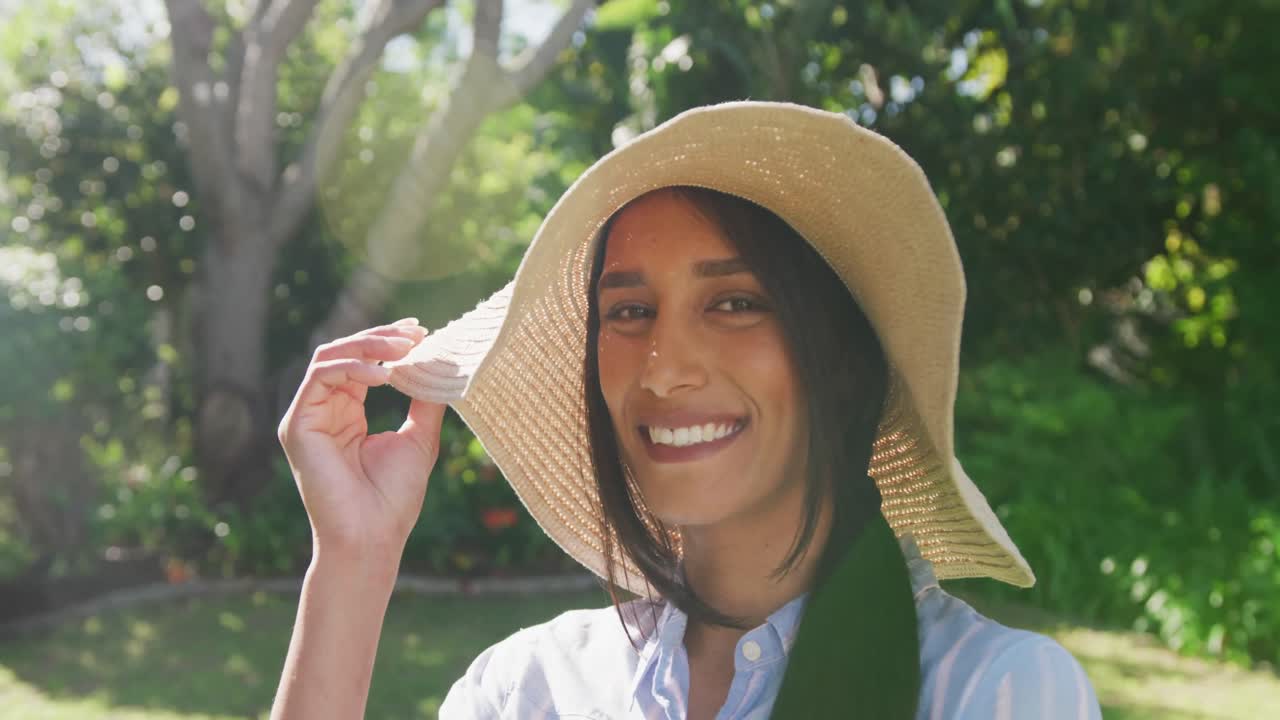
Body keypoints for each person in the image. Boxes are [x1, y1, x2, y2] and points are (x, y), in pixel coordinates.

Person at [271, 102, 1103, 719]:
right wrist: (353, 559)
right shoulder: (533, 690)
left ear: (840, 364)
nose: (664, 372)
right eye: (629, 313)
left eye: (736, 303)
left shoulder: (992, 693)